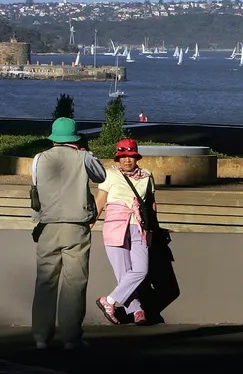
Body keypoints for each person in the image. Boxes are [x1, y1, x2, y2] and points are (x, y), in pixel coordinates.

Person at [31, 117, 107, 350]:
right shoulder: (84, 157)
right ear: (75, 138)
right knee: (74, 282)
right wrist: (85, 152)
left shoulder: (38, 159)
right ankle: (71, 337)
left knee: (45, 282)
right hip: (76, 227)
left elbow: (35, 190)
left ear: (53, 138)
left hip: (47, 226)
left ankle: (41, 337)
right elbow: (101, 176)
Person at [93, 138, 156, 326]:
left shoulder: (147, 175)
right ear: (118, 158)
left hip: (138, 226)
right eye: (123, 156)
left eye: (131, 156)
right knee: (123, 272)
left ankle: (109, 301)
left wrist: (153, 228)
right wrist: (90, 222)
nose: (127, 160)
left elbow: (151, 204)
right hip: (115, 226)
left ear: (136, 157)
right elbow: (100, 201)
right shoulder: (109, 175)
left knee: (141, 270)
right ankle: (137, 310)